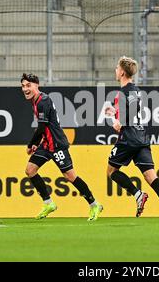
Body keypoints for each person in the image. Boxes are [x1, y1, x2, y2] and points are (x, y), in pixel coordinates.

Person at [105, 56, 159, 224]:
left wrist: (117, 121)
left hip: (128, 138)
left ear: (122, 72)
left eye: (117, 68)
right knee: (150, 175)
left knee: (111, 172)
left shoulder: (125, 92)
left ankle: (138, 194)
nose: (115, 71)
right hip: (142, 137)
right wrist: (114, 114)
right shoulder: (135, 90)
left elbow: (125, 118)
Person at [21, 73, 103, 221]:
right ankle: (48, 203)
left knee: (70, 176)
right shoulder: (36, 101)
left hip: (57, 145)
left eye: (28, 85)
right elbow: (42, 128)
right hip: (46, 145)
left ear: (36, 86)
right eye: (23, 86)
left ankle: (94, 204)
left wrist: (31, 144)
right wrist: (38, 142)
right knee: (30, 170)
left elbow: (41, 126)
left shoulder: (42, 101)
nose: (25, 89)